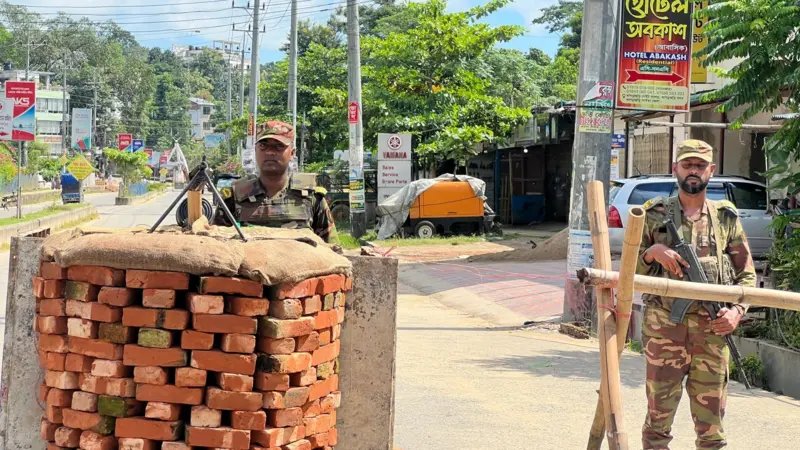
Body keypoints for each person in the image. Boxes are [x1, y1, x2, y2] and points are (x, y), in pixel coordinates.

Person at [637, 139, 756, 449]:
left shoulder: (726, 218)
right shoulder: (653, 215)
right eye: (687, 164)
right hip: (664, 330)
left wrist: (736, 313)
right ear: (675, 168)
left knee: (711, 429)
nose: (693, 171)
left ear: (711, 170)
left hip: (713, 332)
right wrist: (652, 252)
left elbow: (747, 275)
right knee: (657, 421)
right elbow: (629, 272)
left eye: (700, 166)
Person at [213, 120, 335, 243]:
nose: (270, 152)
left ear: (292, 153)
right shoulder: (234, 197)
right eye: (263, 146)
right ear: (255, 151)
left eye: (279, 146)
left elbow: (332, 248)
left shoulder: (312, 197)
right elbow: (216, 245)